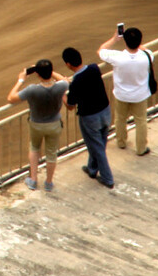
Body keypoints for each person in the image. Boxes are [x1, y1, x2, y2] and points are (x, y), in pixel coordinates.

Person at [6, 59, 69, 192]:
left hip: (37, 124)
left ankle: (33, 180)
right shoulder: (61, 86)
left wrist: (21, 80)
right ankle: (49, 182)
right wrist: (49, 72)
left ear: (38, 74)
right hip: (54, 124)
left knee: (34, 148)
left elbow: (11, 98)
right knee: (51, 153)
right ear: (50, 72)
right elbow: (64, 79)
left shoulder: (32, 89)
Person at [62, 47, 115, 188]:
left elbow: (70, 106)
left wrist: (63, 93)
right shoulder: (94, 68)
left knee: (97, 147)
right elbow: (84, 80)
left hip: (90, 118)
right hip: (105, 111)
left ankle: (107, 178)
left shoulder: (76, 83)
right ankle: (92, 169)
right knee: (99, 144)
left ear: (68, 64)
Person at [98, 26, 153, 156]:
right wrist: (138, 43)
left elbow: (101, 50)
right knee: (141, 121)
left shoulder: (117, 57)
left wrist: (114, 38)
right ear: (140, 41)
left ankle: (121, 142)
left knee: (120, 118)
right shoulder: (148, 56)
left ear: (125, 41)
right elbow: (146, 50)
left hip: (121, 94)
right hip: (140, 95)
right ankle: (141, 148)